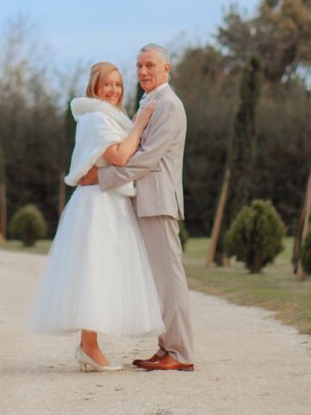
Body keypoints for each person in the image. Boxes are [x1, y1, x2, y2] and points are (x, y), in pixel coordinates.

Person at [30, 61, 164, 372]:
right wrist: (141, 124)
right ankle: (89, 346)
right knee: (95, 270)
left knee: (104, 272)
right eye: (108, 84)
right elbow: (118, 155)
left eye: (118, 84)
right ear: (95, 87)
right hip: (97, 205)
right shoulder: (96, 118)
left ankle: (89, 346)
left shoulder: (109, 117)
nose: (114, 90)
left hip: (110, 201)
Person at [80, 44, 195, 372]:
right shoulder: (150, 102)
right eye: (139, 66)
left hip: (158, 202)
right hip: (145, 202)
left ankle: (180, 353)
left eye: (150, 66)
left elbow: (146, 159)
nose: (143, 71)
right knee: (159, 281)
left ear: (166, 69)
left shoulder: (169, 105)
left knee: (169, 280)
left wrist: (102, 177)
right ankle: (166, 348)